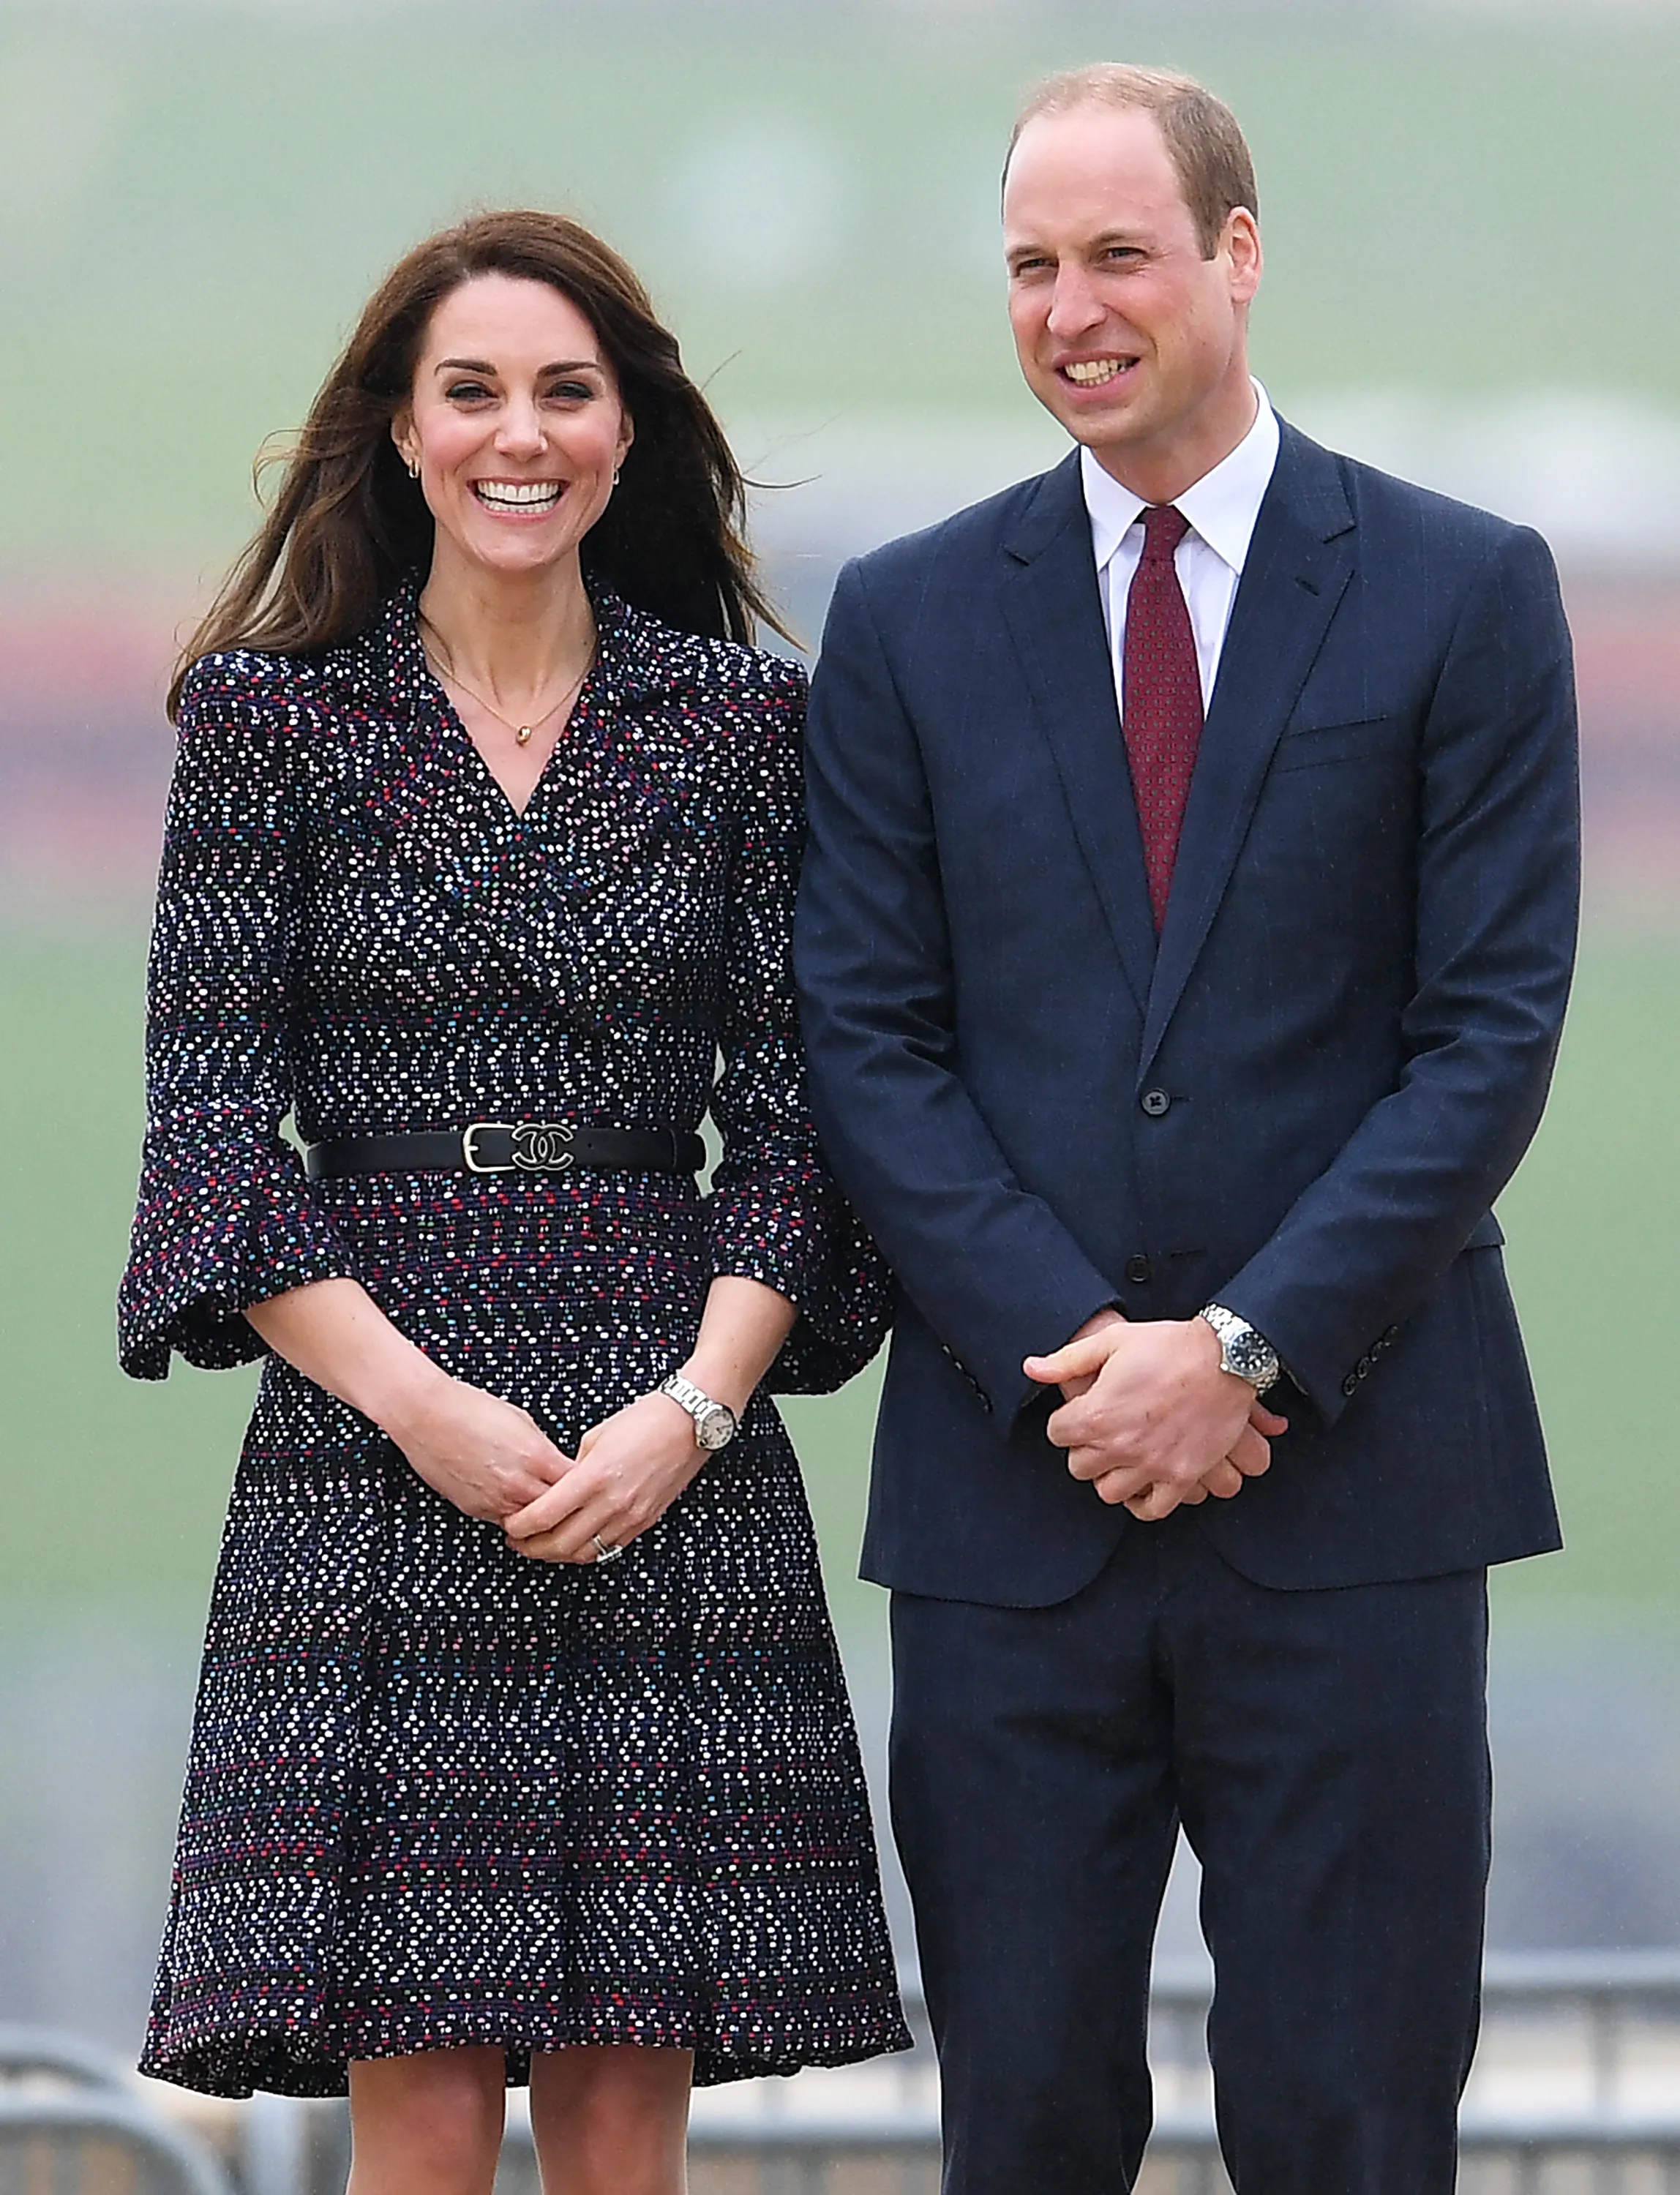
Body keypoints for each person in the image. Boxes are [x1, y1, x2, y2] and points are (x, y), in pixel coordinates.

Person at [794, 63, 1578, 2195]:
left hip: (1357, 1502)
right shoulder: (908, 619)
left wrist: (1239, 1353)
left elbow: (1486, 1039)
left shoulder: (1459, 589)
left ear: (1238, 254)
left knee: (1349, 2130)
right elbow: (868, 1038)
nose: (1071, 310)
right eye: (1031, 266)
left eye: (1119, 255)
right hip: (1015, 1513)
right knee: (1025, 2128)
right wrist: (1089, 1360)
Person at [119, 208, 907, 2195]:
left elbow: (800, 1123)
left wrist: (692, 1413)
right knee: (422, 2095)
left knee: (630, 2096)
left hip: (667, 1413)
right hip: (369, 1429)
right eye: (470, 391)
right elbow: (212, 1128)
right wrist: (419, 1409)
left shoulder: (740, 729)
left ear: (627, 431)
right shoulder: (269, 724)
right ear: (403, 429)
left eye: (566, 391)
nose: (519, 435)